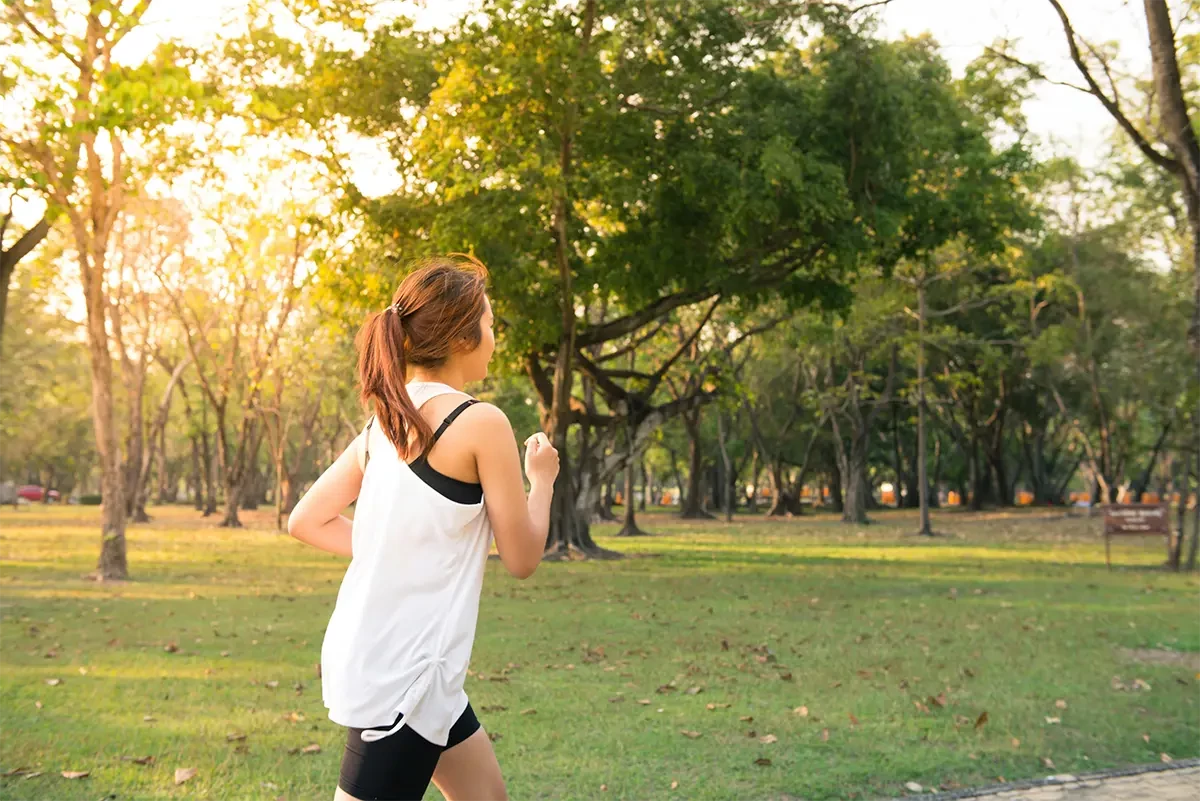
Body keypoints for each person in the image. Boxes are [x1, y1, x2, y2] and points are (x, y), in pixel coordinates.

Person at [287, 254, 559, 801]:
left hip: (414, 668)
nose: (493, 338)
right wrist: (543, 479)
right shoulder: (481, 422)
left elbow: (306, 520)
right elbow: (523, 557)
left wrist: (394, 550)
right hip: (404, 678)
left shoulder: (384, 422)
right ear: (461, 336)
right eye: (488, 324)